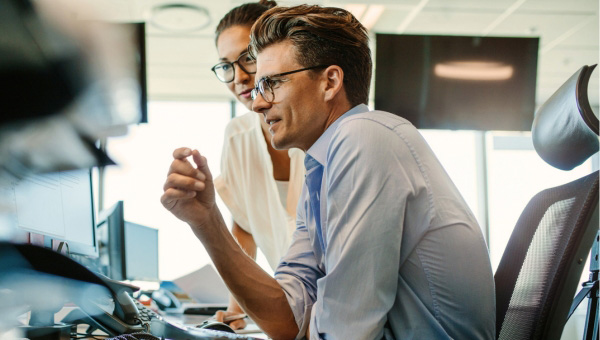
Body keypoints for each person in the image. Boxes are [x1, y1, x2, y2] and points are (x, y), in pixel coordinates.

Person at [162, 4, 495, 339]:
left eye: (272, 84)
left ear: (330, 81)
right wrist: (206, 222)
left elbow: (344, 333)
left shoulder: (364, 138)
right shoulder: (319, 171)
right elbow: (287, 321)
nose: (259, 103)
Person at [209, 0, 306, 330]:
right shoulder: (237, 138)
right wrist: (235, 310)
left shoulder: (319, 127)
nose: (239, 77)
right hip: (291, 313)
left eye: (248, 58)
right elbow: (245, 226)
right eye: (226, 66)